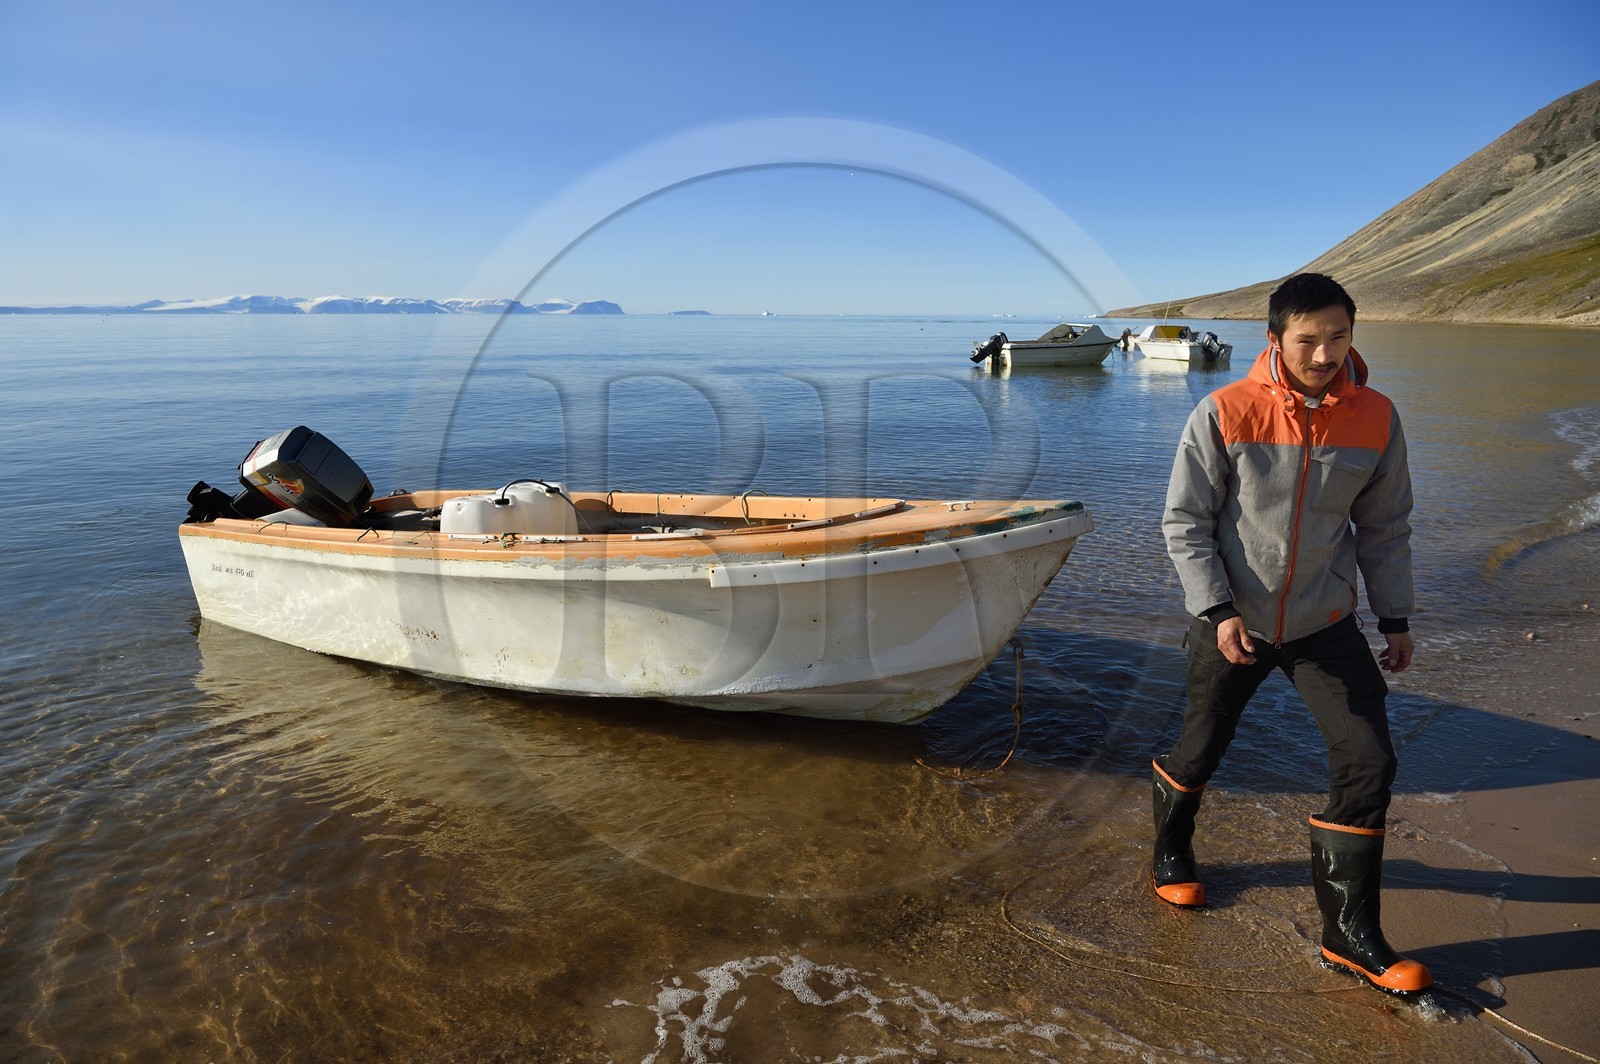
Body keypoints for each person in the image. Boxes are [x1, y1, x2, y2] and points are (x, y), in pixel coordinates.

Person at [1154, 272, 1431, 995]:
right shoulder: (1224, 410)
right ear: (1274, 337)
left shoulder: (1377, 417)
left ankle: (1349, 934)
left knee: (1369, 760)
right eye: (1307, 339)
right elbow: (1184, 524)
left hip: (1324, 622)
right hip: (1232, 622)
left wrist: (1394, 616)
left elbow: (1385, 527)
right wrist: (1217, 612)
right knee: (1201, 745)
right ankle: (1172, 849)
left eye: (1338, 337)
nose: (1323, 353)